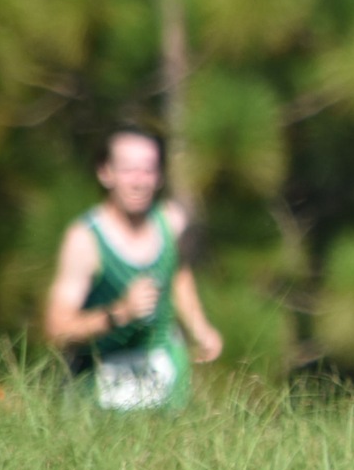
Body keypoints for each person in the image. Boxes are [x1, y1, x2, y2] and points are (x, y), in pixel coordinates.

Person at [42, 125, 224, 411]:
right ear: (106, 172)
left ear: (160, 176)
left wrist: (199, 326)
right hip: (99, 391)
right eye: (127, 169)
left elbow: (178, 274)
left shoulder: (171, 222)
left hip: (165, 380)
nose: (139, 181)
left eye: (148, 170)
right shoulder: (85, 240)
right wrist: (119, 314)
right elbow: (56, 328)